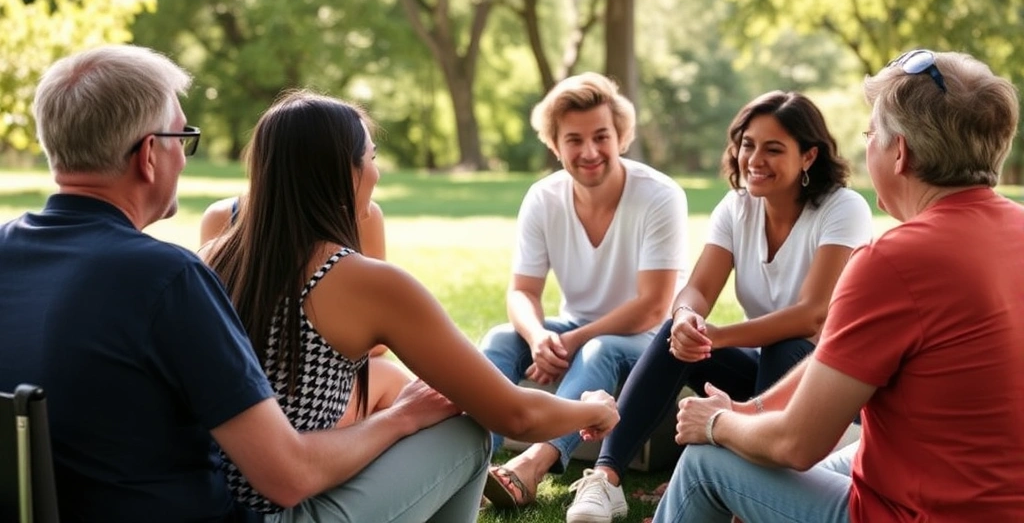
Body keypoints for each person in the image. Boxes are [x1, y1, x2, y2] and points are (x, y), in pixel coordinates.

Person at [0, 45, 616, 523]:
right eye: (182, 139)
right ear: (148, 155)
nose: (186, 156)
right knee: (459, 429)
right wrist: (401, 419)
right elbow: (287, 476)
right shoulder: (168, 277)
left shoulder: (19, 251)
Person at [200, 88, 621, 521]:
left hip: (208, 504)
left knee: (396, 387)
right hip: (282, 511)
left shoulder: (209, 257)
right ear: (342, 173)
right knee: (465, 428)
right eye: (372, 156)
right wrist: (595, 409)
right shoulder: (360, 279)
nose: (376, 172)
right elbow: (514, 414)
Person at [652, 50, 1024, 523]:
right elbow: (837, 364)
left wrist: (718, 424)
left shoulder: (894, 260)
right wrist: (751, 409)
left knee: (708, 461)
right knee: (834, 457)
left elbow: (795, 445)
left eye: (872, 135)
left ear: (900, 152)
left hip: (920, 512)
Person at [565, 91, 873, 523]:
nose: (755, 159)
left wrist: (719, 335)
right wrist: (689, 318)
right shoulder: (737, 207)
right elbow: (697, 289)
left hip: (824, 393)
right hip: (763, 387)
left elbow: (813, 315)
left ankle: (750, 488)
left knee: (786, 346)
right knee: (677, 333)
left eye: (773, 149)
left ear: (808, 157)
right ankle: (607, 477)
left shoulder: (843, 208)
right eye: (748, 145)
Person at [479, 72, 689, 508]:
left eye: (601, 136)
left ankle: (531, 468)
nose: (589, 151)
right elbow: (521, 291)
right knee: (502, 337)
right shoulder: (543, 198)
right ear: (556, 146)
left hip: (646, 341)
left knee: (599, 350)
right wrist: (539, 337)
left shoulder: (659, 196)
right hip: (574, 324)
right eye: (574, 140)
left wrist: (571, 341)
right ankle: (466, 459)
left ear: (622, 136)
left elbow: (654, 307)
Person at [200, 195, 409, 426]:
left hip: (238, 400)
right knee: (396, 382)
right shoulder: (362, 214)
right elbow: (378, 342)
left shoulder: (221, 219)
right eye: (372, 158)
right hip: (274, 400)